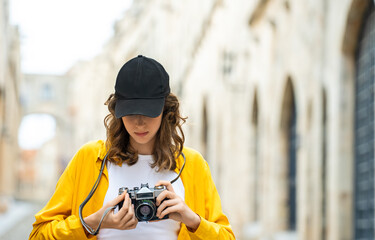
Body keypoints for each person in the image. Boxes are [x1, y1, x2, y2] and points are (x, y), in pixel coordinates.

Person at [29, 55, 235, 240]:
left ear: (166, 110)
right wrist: (93, 222)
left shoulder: (192, 165)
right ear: (117, 110)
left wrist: (193, 221)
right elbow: (38, 235)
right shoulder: (90, 159)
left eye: (148, 111)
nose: (139, 122)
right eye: (130, 111)